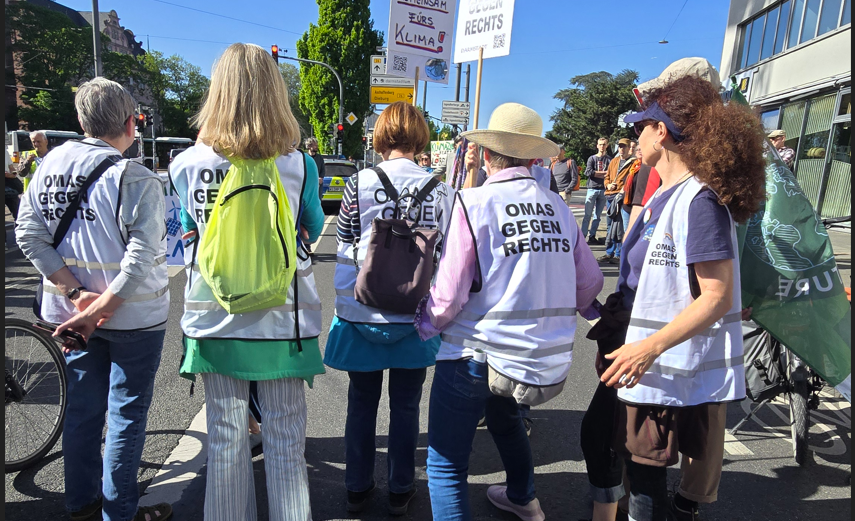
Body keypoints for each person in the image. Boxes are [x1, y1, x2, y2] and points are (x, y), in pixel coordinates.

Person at [417, 103, 603, 521]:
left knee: (446, 464)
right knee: (506, 421)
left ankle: (521, 497)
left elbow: (447, 297)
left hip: (475, 353)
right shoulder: (559, 209)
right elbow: (589, 284)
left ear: (486, 155)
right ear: (534, 159)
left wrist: (424, 324)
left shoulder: (474, 202)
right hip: (538, 358)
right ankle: (523, 497)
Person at [169, 43, 325, 521]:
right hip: (283, 322)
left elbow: (190, 231)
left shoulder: (185, 165)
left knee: (226, 441)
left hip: (213, 316)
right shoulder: (298, 165)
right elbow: (312, 229)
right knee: (284, 444)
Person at [600, 74, 765, 521]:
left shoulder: (699, 201)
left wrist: (648, 348)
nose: (635, 137)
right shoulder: (665, 194)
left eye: (641, 127)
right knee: (627, 461)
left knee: (647, 473)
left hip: (658, 363)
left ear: (662, 132)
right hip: (643, 357)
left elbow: (715, 295)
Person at [16, 77, 172, 521]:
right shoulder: (133, 176)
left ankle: (81, 502)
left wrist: (76, 295)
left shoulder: (47, 165)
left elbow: (28, 235)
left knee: (83, 409)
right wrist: (99, 308)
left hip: (68, 314)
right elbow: (143, 256)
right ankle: (119, 513)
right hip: (133, 318)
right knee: (125, 415)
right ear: (130, 123)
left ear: (81, 121)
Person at [326, 101, 453, 515]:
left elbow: (344, 242)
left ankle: (357, 488)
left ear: (380, 136)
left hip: (363, 313)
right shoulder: (443, 190)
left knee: (361, 403)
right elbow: (448, 253)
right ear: (420, 137)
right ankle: (401, 488)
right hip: (415, 315)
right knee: (406, 406)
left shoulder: (358, 183)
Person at [599, 139, 637, 263]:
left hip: (621, 198)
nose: (621, 149)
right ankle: (609, 252)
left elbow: (631, 180)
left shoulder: (633, 162)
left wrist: (621, 190)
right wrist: (608, 185)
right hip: (610, 196)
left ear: (628, 148)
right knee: (610, 226)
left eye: (624, 147)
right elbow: (607, 177)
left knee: (620, 227)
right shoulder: (614, 161)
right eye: (620, 147)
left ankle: (618, 254)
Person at [581, 137, 611, 245]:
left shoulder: (609, 160)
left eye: (604, 144)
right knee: (587, 215)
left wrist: (596, 173)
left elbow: (611, 173)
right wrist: (604, 173)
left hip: (603, 189)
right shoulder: (592, 159)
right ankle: (582, 236)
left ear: (606, 145)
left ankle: (592, 236)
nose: (602, 146)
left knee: (597, 216)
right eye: (600, 144)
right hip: (592, 189)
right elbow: (588, 172)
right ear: (597, 146)